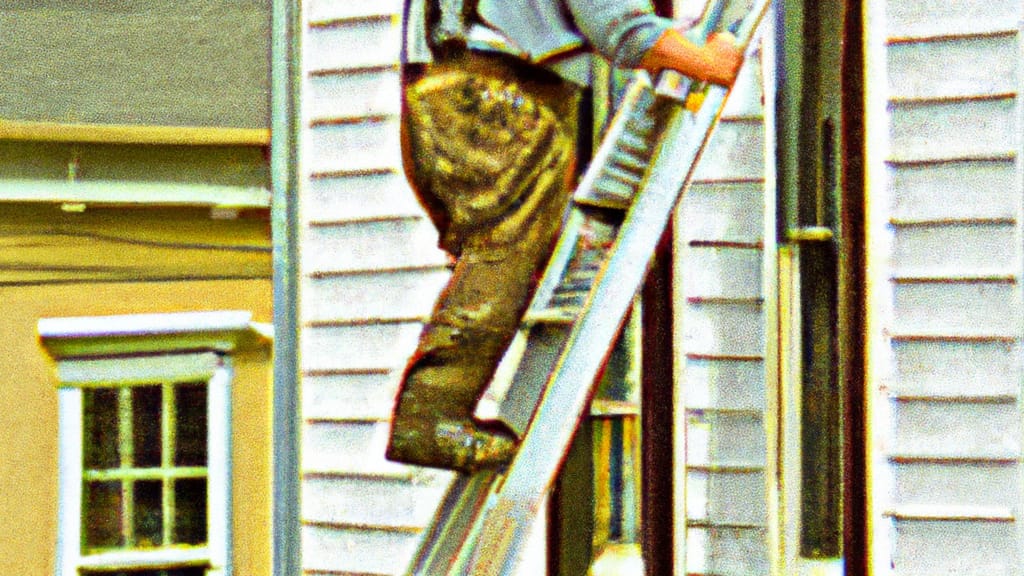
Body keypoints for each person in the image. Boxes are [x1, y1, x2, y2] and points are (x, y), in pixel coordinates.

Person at [386, 0, 743, 473]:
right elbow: (617, 25)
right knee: (504, 255)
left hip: (444, 93)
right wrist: (709, 61)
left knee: (502, 257)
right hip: (498, 95)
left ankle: (436, 409)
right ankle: (431, 417)